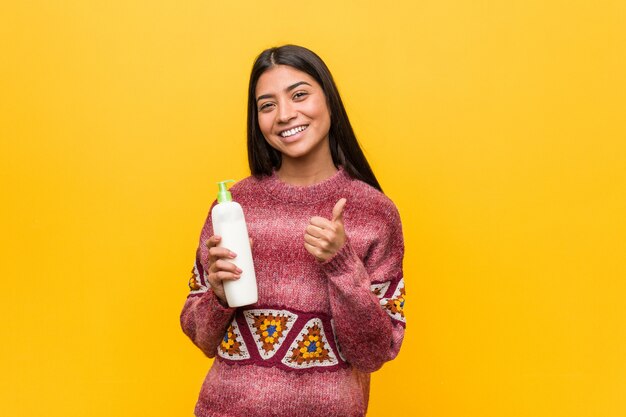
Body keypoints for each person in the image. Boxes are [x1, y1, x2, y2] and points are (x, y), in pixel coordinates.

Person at [180, 44, 406, 417]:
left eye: (299, 95)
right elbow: (201, 337)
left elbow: (374, 352)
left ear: (329, 101)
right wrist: (217, 296)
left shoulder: (374, 213)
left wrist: (342, 265)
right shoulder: (233, 206)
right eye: (267, 105)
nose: (285, 115)